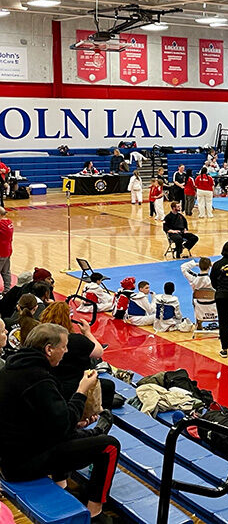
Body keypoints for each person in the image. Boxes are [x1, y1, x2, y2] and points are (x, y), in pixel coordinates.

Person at [0, 324, 119, 523]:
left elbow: (42, 421)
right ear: (49, 349)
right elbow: (60, 424)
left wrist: (73, 423)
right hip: (23, 465)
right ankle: (95, 512)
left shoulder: (11, 369)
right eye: (63, 347)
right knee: (109, 446)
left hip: (12, 457)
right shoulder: (39, 379)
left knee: (71, 433)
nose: (65, 352)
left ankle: (68, 476)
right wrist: (81, 391)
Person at [38, 302, 115, 409]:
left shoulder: (38, 337)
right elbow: (99, 352)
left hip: (48, 384)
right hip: (72, 386)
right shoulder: (75, 340)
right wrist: (87, 333)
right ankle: (102, 415)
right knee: (108, 385)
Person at [0, 207, 12, 294]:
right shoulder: (9, 222)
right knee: (6, 271)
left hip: (1, 251)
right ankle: (7, 290)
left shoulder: (1, 224)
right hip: (8, 249)